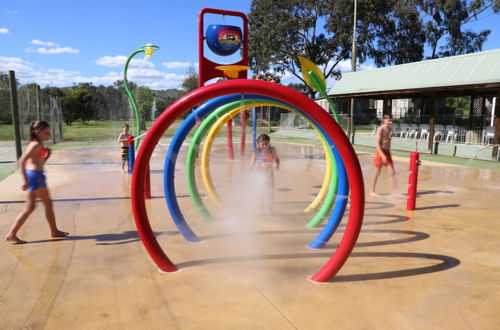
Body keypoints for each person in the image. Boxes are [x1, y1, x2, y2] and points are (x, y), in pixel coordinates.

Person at [5, 120, 69, 244]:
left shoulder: (34, 144)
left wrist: (46, 157)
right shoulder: (34, 145)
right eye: (45, 133)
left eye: (48, 132)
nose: (48, 135)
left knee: (30, 207)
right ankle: (54, 231)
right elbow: (22, 161)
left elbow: (37, 163)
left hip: (34, 176)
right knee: (47, 204)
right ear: (36, 132)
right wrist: (25, 180)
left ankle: (12, 234)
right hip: (35, 177)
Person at [369, 115, 400, 198]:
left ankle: (395, 192)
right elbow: (377, 144)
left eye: (391, 120)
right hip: (380, 152)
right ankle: (371, 191)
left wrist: (387, 153)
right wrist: (382, 155)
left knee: (392, 172)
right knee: (377, 172)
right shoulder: (381, 129)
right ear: (384, 120)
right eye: (389, 120)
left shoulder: (389, 129)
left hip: (387, 151)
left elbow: (387, 140)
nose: (390, 122)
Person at [251, 134, 280, 212]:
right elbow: (253, 159)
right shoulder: (256, 151)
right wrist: (251, 168)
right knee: (261, 190)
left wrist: (277, 164)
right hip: (259, 171)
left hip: (269, 171)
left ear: (269, 142)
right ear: (258, 143)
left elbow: (276, 159)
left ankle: (270, 208)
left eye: (266, 144)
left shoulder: (272, 150)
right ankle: (261, 206)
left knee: (270, 190)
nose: (264, 146)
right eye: (262, 144)